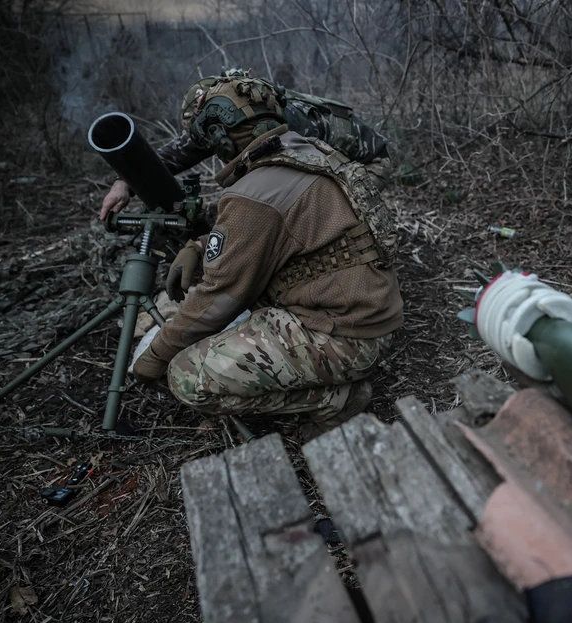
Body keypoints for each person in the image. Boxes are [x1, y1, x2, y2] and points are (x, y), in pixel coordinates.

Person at [130, 72, 403, 430]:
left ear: (221, 139)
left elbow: (219, 297)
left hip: (346, 336)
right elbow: (272, 229)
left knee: (185, 375)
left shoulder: (254, 191)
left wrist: (154, 357)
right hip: (369, 314)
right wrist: (199, 245)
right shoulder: (307, 150)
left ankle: (335, 399)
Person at [100, 68, 392, 220]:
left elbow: (296, 189)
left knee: (310, 217)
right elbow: (177, 154)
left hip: (367, 164)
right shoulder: (229, 116)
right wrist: (124, 181)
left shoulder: (288, 126)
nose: (208, 143)